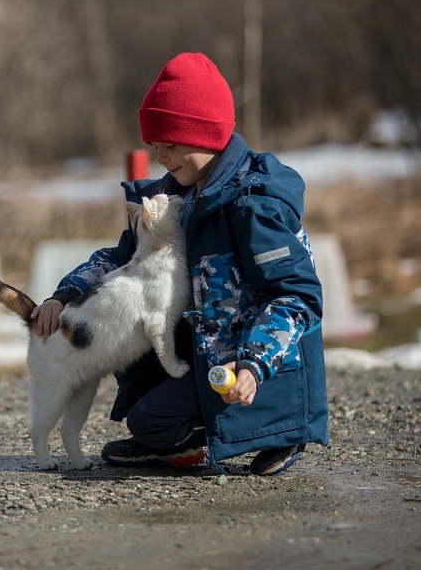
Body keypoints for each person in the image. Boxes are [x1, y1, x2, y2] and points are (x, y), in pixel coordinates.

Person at [30, 52, 329, 475]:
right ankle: (172, 431)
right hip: (204, 352)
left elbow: (295, 295)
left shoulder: (254, 207)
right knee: (148, 417)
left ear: (207, 136)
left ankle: (279, 429)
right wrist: (63, 296)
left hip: (255, 365)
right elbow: (118, 259)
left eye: (171, 145)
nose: (161, 158)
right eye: (155, 147)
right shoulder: (169, 198)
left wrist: (254, 362)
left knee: (154, 422)